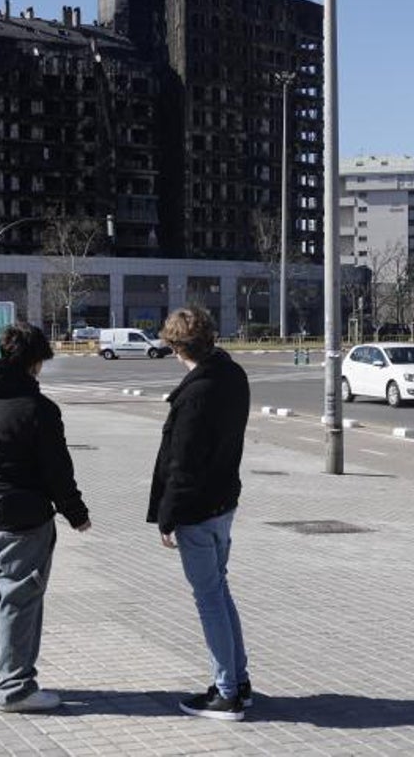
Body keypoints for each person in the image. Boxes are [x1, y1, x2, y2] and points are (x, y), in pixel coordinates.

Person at [0, 322, 91, 712]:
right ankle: (15, 689)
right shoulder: (38, 410)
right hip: (24, 523)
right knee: (19, 602)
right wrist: (75, 513)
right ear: (33, 362)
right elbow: (57, 471)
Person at [148, 306, 252, 722]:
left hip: (198, 509)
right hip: (224, 500)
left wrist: (167, 517)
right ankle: (238, 681)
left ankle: (226, 692)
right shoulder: (233, 375)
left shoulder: (196, 393)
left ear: (177, 347)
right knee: (220, 592)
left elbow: (182, 464)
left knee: (209, 599)